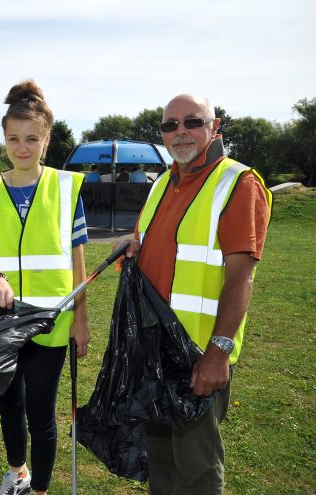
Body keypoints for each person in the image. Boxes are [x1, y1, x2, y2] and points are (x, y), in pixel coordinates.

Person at [122, 93, 271, 494]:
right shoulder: (162, 184)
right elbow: (151, 243)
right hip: (154, 349)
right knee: (162, 464)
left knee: (197, 471)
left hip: (197, 354)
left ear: (215, 127)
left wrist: (218, 354)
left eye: (192, 122)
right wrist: (133, 245)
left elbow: (242, 278)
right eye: (170, 125)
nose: (180, 132)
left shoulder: (237, 183)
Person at [0, 80, 89, 495]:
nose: (22, 147)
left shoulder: (68, 188)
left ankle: (41, 490)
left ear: (46, 140)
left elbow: (77, 259)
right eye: (14, 138)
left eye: (31, 139)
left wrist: (81, 319)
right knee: (9, 403)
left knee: (41, 412)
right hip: (2, 318)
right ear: (4, 139)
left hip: (51, 321)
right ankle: (18, 473)